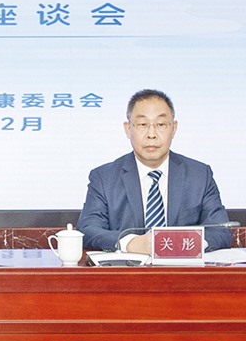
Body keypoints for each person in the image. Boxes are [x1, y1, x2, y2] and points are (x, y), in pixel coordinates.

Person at [77, 89, 234, 254]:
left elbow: (221, 230)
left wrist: (181, 244)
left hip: (183, 269)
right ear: (128, 129)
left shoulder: (200, 175)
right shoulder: (104, 178)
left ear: (173, 128)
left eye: (160, 125)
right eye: (142, 125)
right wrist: (132, 244)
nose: (151, 134)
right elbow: (88, 229)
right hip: (128, 269)